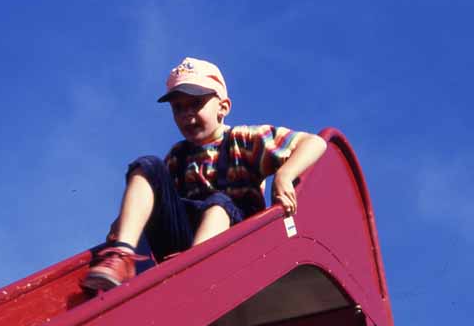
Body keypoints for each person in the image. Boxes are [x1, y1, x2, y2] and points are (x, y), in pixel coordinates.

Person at [81, 56, 328, 292]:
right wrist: (122, 224)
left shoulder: (243, 140)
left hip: (237, 246)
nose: (187, 114)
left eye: (196, 104)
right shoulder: (178, 157)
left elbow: (315, 143)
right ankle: (122, 256)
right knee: (147, 166)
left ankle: (196, 271)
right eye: (178, 108)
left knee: (219, 203)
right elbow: (155, 199)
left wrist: (285, 174)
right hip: (183, 245)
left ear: (223, 107)